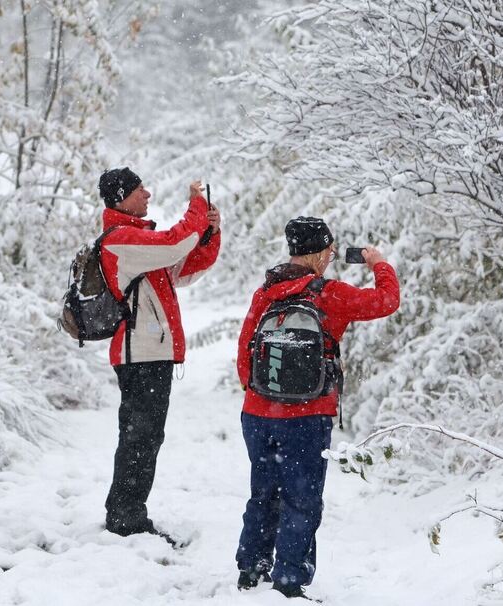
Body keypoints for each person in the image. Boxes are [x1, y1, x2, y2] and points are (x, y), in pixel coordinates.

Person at [234, 216, 400, 599]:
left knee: (263, 493)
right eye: (330, 249)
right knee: (302, 499)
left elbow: (245, 355)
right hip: (306, 418)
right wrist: (379, 264)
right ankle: (290, 580)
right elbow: (386, 301)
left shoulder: (265, 294)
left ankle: (251, 569)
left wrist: (262, 397)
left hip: (258, 414)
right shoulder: (328, 294)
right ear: (322, 253)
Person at [97, 167, 221, 544]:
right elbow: (174, 243)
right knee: (140, 437)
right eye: (139, 189)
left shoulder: (138, 241)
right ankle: (126, 518)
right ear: (121, 198)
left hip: (151, 354)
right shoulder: (120, 240)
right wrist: (196, 207)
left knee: (145, 437)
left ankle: (127, 512)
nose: (148, 194)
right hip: (140, 354)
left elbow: (186, 266)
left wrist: (209, 232)